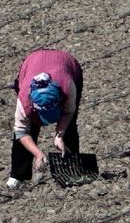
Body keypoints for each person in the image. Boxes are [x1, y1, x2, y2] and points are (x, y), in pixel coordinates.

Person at [9, 47, 82, 189]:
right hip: (32, 62)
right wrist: (38, 153)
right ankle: (18, 175)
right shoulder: (24, 101)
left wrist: (59, 135)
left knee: (70, 128)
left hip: (66, 64)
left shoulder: (68, 88)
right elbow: (21, 131)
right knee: (30, 127)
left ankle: (71, 172)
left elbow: (68, 113)